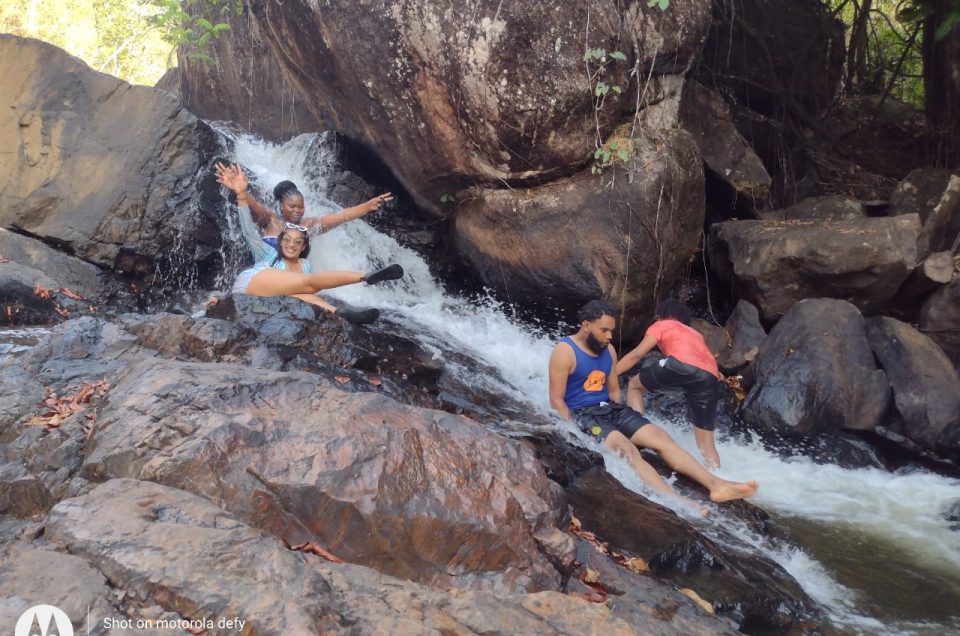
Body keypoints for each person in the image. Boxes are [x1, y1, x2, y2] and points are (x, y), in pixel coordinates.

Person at [548, 300, 757, 505]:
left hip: (611, 410)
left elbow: (612, 390)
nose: (609, 336)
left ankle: (717, 485)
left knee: (661, 438)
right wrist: (573, 429)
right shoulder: (565, 351)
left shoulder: (609, 351)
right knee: (627, 449)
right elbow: (557, 400)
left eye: (611, 330)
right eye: (604, 330)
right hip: (585, 415)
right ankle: (678, 501)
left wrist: (623, 418)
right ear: (586, 325)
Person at [616, 298, 724, 469]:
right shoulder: (696, 334)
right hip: (710, 377)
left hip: (681, 365)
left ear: (662, 315)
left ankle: (637, 432)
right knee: (707, 444)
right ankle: (718, 475)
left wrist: (611, 373)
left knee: (635, 386)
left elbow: (637, 354)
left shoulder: (662, 324)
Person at [214, 162, 394, 262]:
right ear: (281, 206)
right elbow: (250, 204)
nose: (297, 211)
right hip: (265, 272)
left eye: (301, 207)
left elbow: (341, 216)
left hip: (291, 276)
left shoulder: (307, 225)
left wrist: (368, 205)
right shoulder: (270, 220)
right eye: (292, 206)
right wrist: (239, 190)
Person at [231, 224, 403, 325]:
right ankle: (365, 276)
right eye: (287, 240)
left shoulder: (305, 265)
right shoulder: (267, 253)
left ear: (304, 247)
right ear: (280, 242)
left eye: (297, 242)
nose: (291, 245)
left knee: (309, 297)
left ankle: (341, 313)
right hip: (250, 284)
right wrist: (241, 195)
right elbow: (248, 232)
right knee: (309, 283)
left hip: (276, 296)